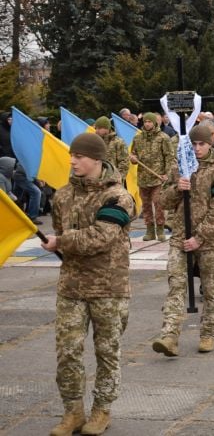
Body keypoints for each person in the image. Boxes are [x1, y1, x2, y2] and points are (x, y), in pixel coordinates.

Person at [42, 133, 135, 436]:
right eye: (71, 155)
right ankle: (73, 412)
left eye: (79, 156)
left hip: (109, 287)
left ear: (97, 159)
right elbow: (59, 233)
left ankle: (101, 410)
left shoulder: (118, 196)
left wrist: (62, 241)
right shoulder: (62, 195)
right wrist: (57, 243)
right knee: (67, 351)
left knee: (107, 353)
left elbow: (101, 237)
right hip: (71, 286)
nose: (73, 161)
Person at [152, 125, 214, 356]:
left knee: (210, 289)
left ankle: (207, 333)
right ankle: (170, 336)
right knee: (176, 286)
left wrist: (199, 237)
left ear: (210, 145)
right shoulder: (179, 168)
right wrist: (178, 188)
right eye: (193, 144)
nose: (197, 149)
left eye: (202, 144)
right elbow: (163, 201)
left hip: (210, 241)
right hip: (180, 236)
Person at [130, 112, 174, 242]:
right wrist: (133, 158)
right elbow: (133, 155)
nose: (147, 124)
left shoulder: (163, 137)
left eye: (150, 122)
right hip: (143, 177)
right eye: (145, 122)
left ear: (155, 123)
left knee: (158, 204)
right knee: (146, 206)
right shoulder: (138, 138)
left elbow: (169, 157)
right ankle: (149, 230)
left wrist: (167, 173)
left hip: (158, 178)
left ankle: (160, 229)